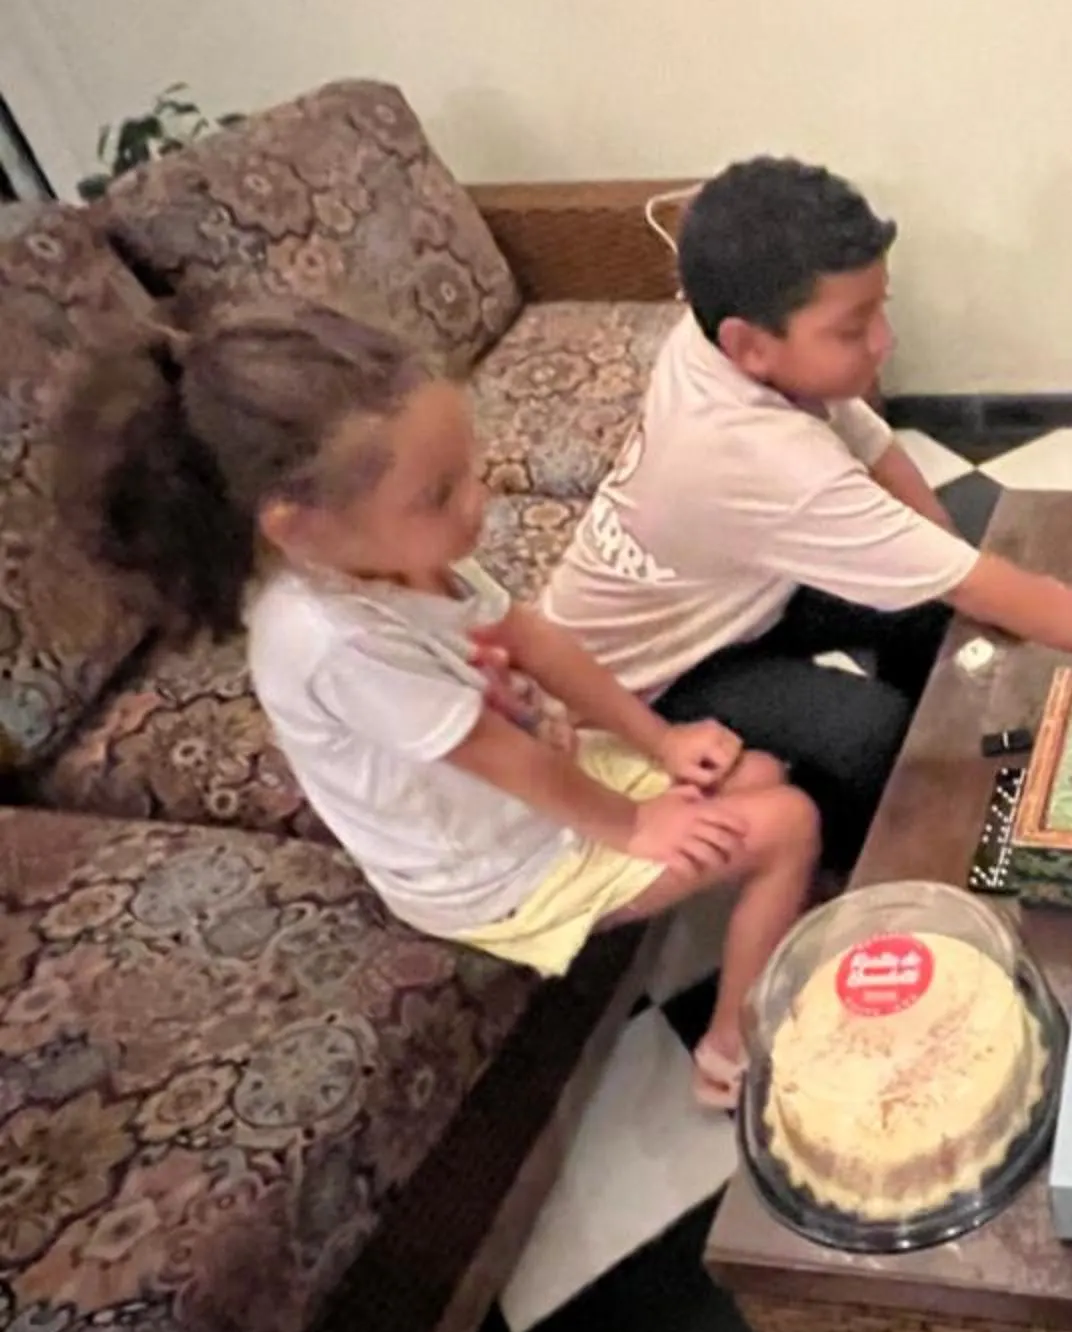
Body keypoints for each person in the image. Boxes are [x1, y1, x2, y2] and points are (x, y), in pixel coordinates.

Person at [63, 305, 818, 1108]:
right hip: (494, 867)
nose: (477, 502)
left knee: (756, 772)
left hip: (536, 785)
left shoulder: (400, 557)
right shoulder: (327, 640)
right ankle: (729, 1056)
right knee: (787, 822)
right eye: (439, 493)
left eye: (470, 468)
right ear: (300, 529)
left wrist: (660, 741)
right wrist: (637, 825)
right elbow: (504, 757)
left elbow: (534, 640)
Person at [540, 157, 1072, 866]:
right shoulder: (761, 460)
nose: (884, 342)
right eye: (852, 328)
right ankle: (861, 858)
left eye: (880, 308)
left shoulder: (712, 338)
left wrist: (961, 566)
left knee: (937, 599)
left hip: (727, 589)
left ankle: (928, 736)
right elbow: (967, 578)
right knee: (869, 730)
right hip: (649, 680)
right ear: (751, 345)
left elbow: (875, 451)